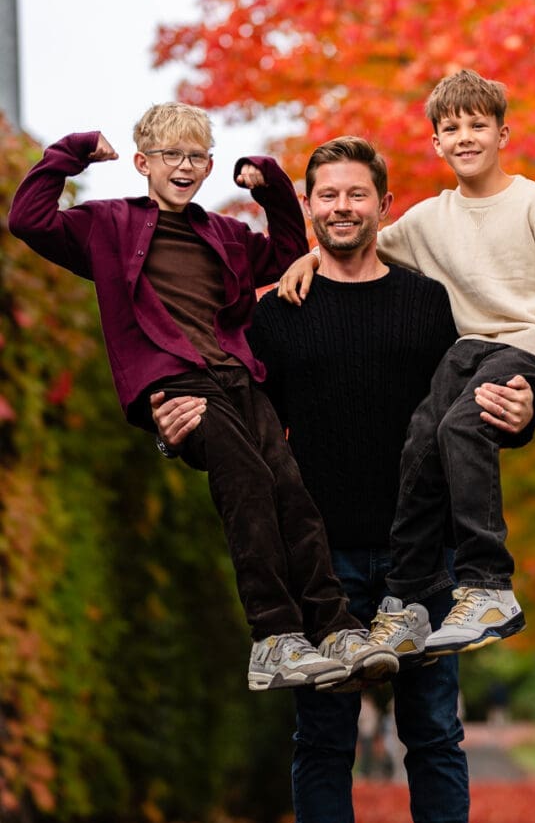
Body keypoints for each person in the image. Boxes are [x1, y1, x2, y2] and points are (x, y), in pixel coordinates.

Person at [152, 136, 535, 823]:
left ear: (382, 205)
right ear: (311, 207)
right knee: (322, 745)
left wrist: (523, 412)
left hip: (418, 565)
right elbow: (240, 421)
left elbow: (475, 400)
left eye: (356, 194)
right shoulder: (274, 314)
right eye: (325, 194)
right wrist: (178, 433)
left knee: (433, 740)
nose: (340, 207)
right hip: (316, 566)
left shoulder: (431, 305)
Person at [8, 102, 397, 693]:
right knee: (245, 482)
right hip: (176, 385)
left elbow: (291, 248)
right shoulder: (107, 226)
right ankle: (273, 638)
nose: (183, 166)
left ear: (209, 165)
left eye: (195, 156)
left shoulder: (224, 235)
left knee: (289, 486)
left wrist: (268, 182)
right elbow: (29, 219)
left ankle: (334, 626)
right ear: (143, 162)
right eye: (170, 155)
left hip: (238, 379)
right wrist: (73, 150)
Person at [279, 69, 535, 659]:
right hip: (472, 352)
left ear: (504, 133)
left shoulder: (533, 200)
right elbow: (360, 238)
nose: (465, 137)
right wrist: (304, 259)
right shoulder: (432, 218)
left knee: (458, 426)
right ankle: (406, 602)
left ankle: (487, 586)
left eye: (479, 125)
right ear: (435, 143)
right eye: (451, 128)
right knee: (421, 439)